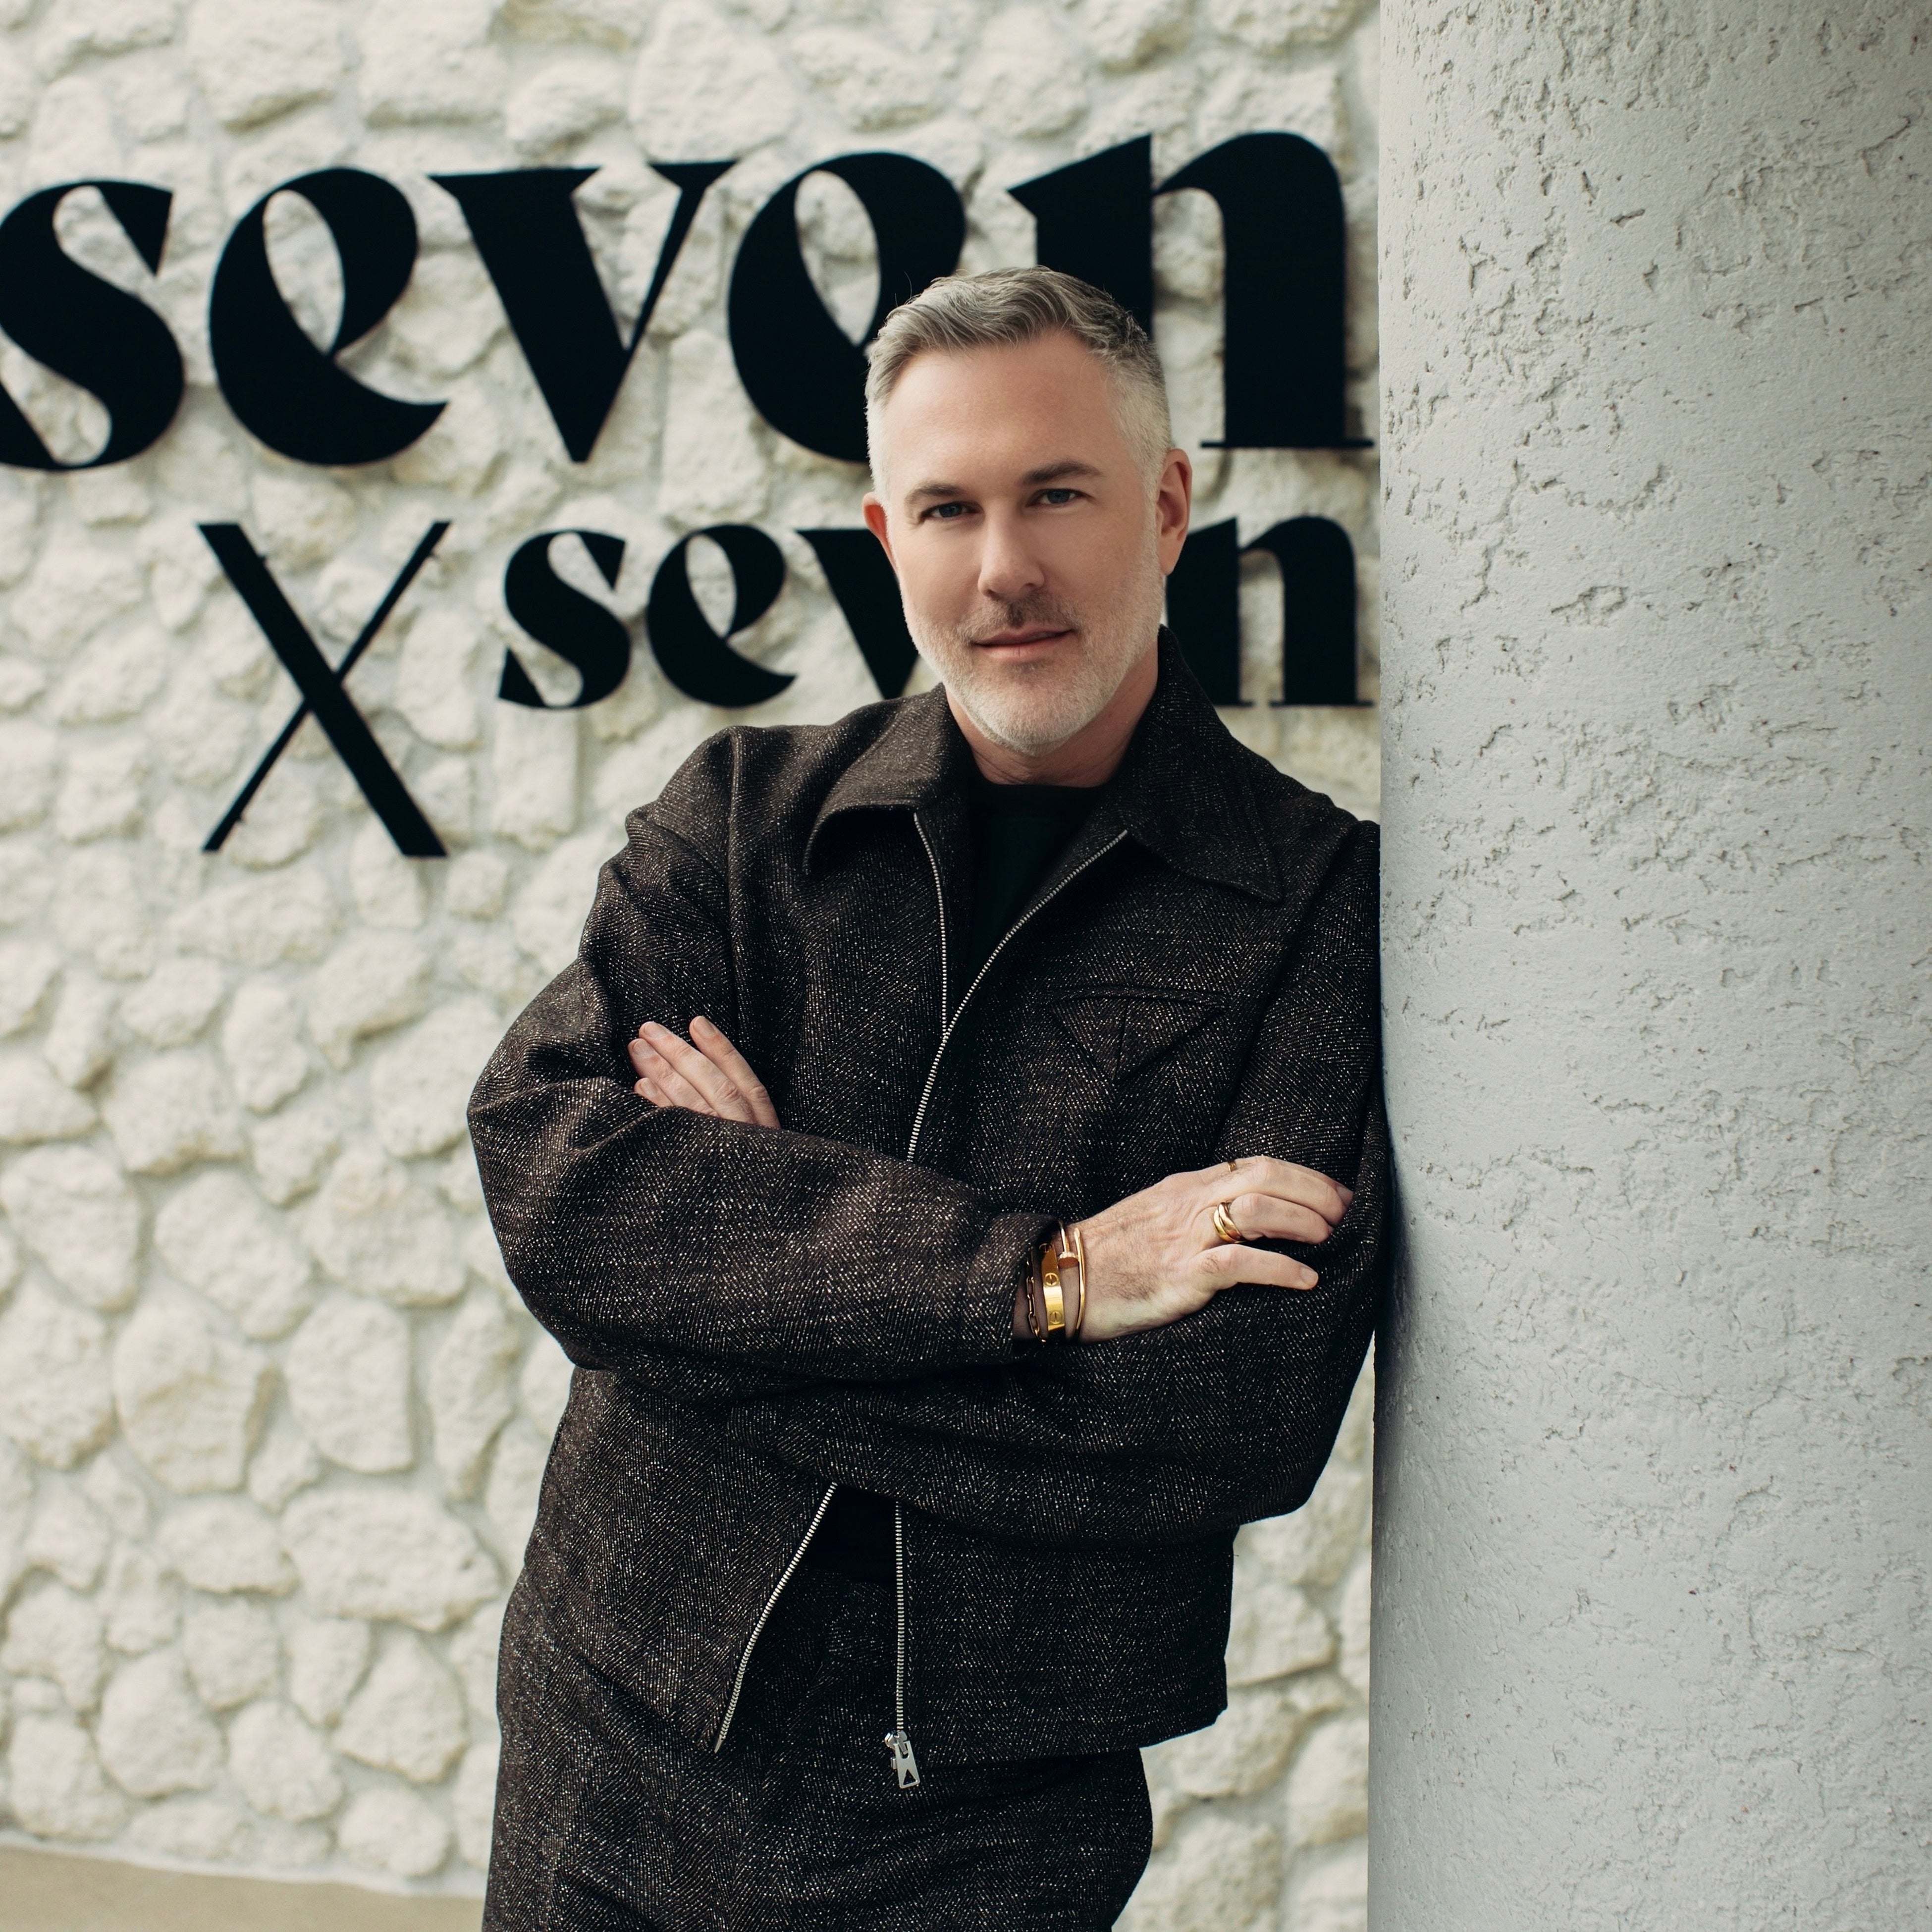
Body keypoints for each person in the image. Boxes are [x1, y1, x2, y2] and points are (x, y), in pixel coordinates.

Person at [469, 266, 1386, 1931]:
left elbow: (1231, 1419)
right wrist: (1052, 1277)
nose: (1002, 566)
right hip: (612, 1730)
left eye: (1057, 495)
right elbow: (557, 1182)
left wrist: (729, 1313)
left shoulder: (1314, 905)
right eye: (949, 509)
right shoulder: (740, 817)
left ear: (1166, 506)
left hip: (988, 1820)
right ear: (887, 537)